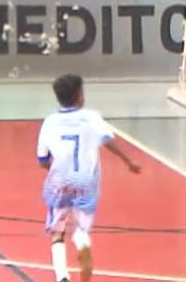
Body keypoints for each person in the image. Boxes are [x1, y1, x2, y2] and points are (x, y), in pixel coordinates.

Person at [37, 74, 141, 282]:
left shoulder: (50, 121)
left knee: (57, 232)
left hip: (59, 181)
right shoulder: (92, 118)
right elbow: (108, 141)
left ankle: (62, 277)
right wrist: (128, 161)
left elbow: (41, 158)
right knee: (81, 228)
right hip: (86, 182)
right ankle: (82, 243)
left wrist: (52, 168)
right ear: (79, 96)